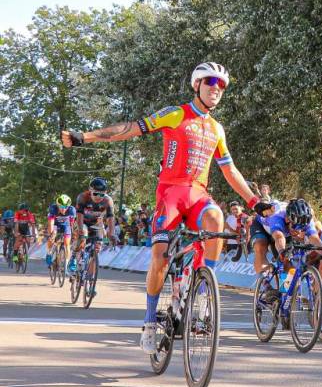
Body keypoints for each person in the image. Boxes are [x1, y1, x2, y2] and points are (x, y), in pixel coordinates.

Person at [62, 61, 260, 355]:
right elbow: (132, 128)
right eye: (210, 82)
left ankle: (203, 292)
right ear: (197, 85)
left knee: (216, 217)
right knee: (160, 257)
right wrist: (86, 136)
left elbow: (231, 172)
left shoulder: (218, 129)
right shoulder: (176, 113)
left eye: (221, 86)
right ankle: (150, 322)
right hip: (170, 192)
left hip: (198, 195)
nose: (216, 89)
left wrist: (256, 202)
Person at [71, 177, 116, 276]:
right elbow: (79, 215)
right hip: (82, 222)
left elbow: (110, 218)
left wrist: (112, 234)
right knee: (83, 233)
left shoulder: (108, 201)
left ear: (106, 193)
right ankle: (74, 257)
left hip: (97, 224)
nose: (98, 197)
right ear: (90, 190)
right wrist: (80, 230)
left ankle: (90, 280)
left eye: (102, 194)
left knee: (97, 249)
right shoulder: (83, 197)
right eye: (95, 193)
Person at [45, 194, 77, 270]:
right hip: (55, 224)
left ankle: (66, 263)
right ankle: (49, 253)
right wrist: (51, 234)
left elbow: (72, 224)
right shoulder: (53, 209)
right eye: (62, 207)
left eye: (66, 207)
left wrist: (73, 235)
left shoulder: (72, 210)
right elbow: (51, 223)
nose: (64, 209)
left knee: (67, 244)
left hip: (66, 225)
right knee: (52, 237)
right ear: (58, 205)